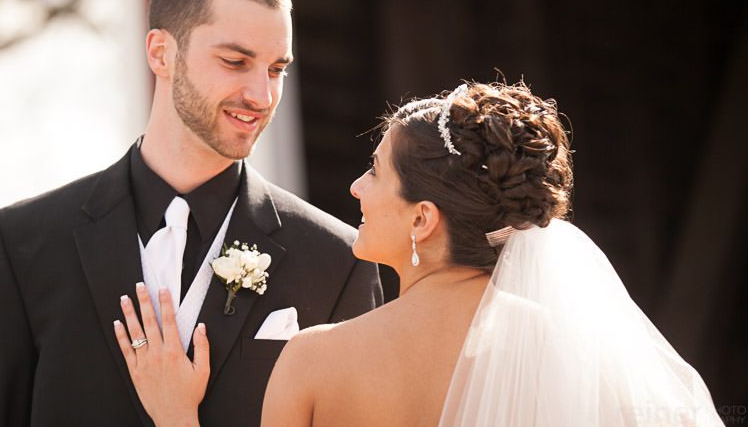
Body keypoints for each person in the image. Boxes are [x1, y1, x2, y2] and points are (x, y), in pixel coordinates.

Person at [116, 81, 724, 426]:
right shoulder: (579, 356)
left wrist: (175, 418)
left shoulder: (316, 361)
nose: (355, 187)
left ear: (422, 219)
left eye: (375, 173)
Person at [0, 0, 383, 427]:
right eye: (236, 61)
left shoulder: (336, 263)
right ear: (161, 53)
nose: (262, 95)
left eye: (276, 69)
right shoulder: (22, 247)